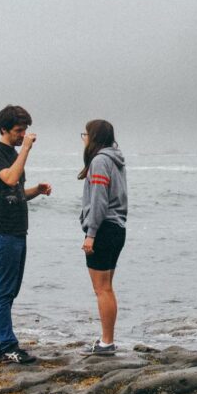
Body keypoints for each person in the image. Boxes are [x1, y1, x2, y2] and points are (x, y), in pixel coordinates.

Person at [0, 105, 52, 364]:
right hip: (2, 232)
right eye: (18, 131)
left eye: (25, 130)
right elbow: (10, 179)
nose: (23, 135)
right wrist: (25, 149)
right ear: (4, 129)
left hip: (17, 231)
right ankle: (9, 346)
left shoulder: (12, 153)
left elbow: (15, 192)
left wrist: (36, 190)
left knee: (8, 290)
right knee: (4, 291)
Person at [78, 119, 127, 356]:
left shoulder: (99, 161)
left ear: (93, 137)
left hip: (104, 229)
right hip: (117, 227)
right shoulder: (116, 160)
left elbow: (99, 200)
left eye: (85, 134)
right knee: (107, 287)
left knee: (102, 289)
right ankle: (108, 339)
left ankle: (107, 342)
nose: (83, 139)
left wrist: (91, 234)